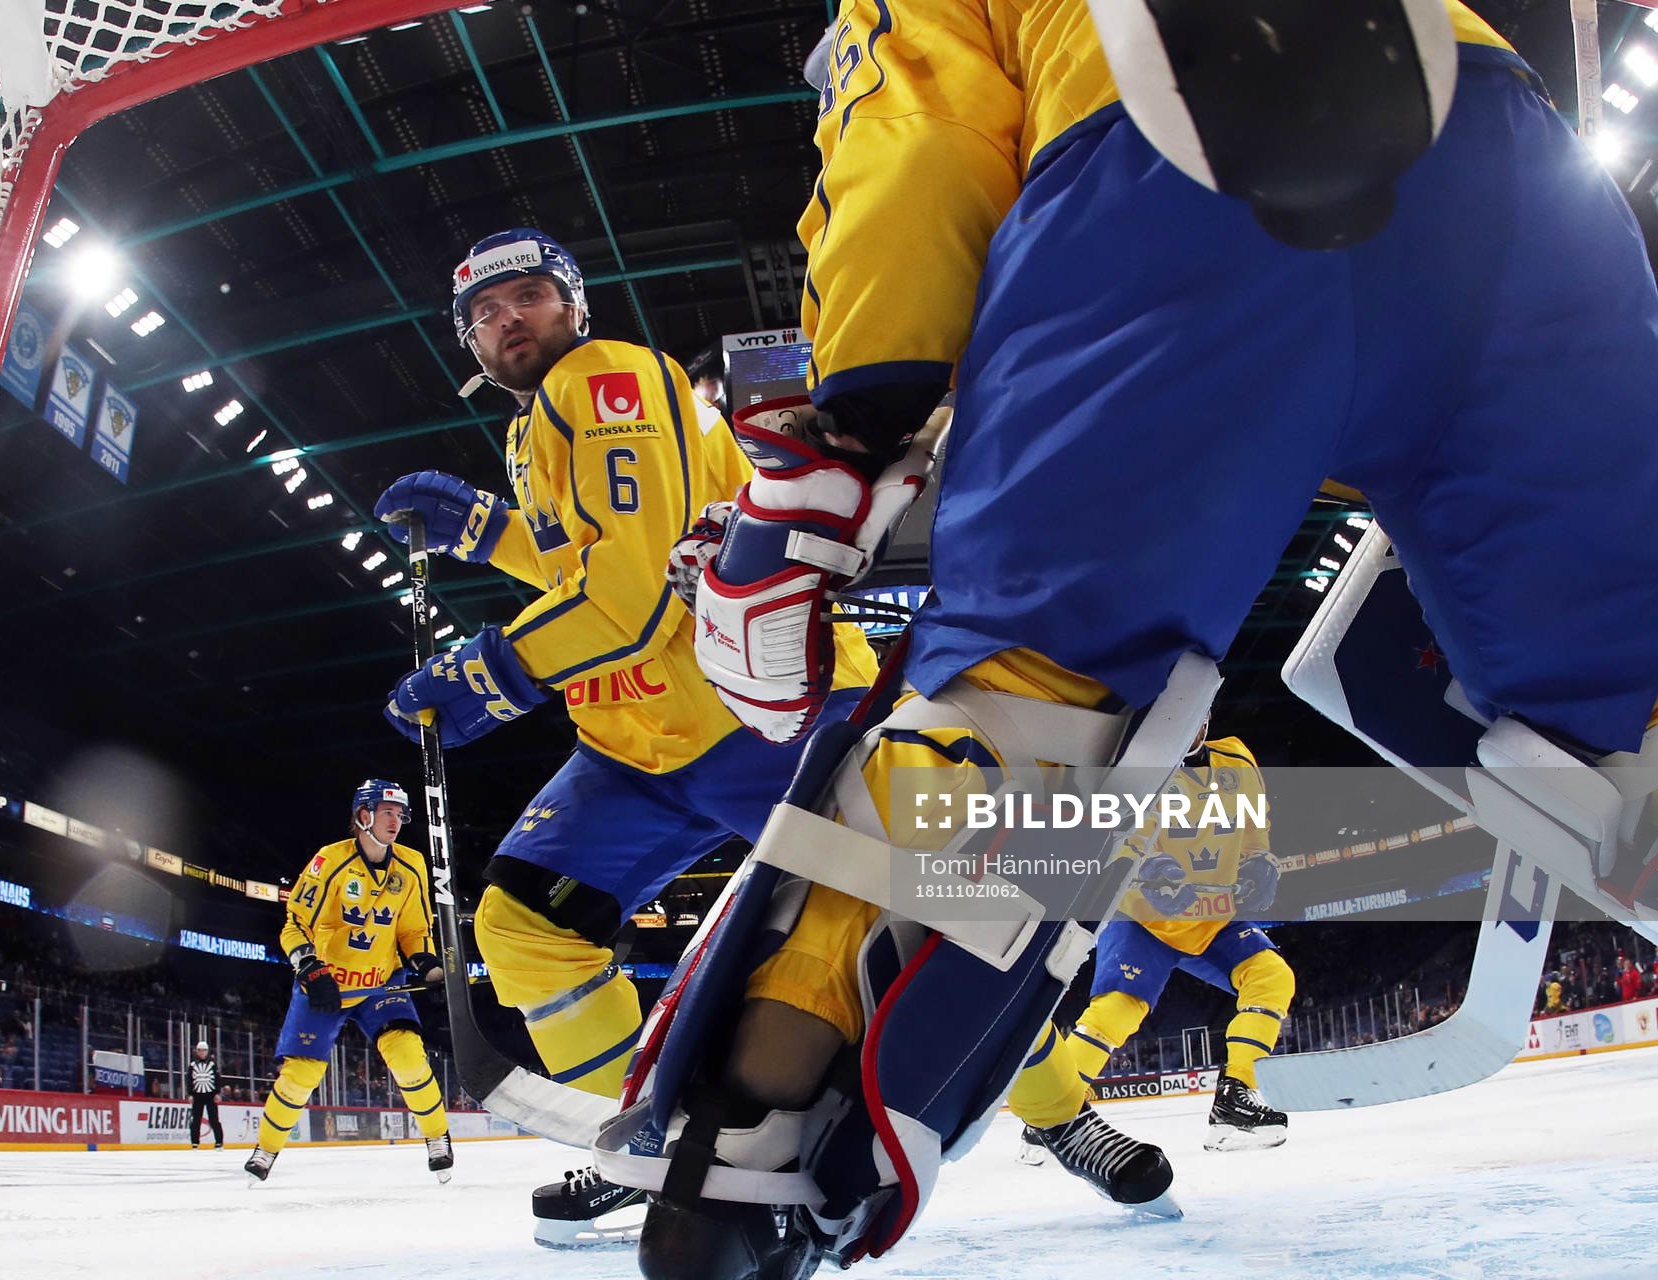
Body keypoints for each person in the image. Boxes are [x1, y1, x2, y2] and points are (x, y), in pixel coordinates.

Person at [610, 2, 1658, 1275]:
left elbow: (917, 127)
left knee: (1012, 728)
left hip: (1170, 154)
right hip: (1509, 167)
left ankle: (747, 1171)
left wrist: (849, 426)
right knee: (1633, 722)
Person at [371, 227, 879, 1246]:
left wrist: (488, 675)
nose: (506, 318)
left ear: (576, 306)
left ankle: (1056, 1103)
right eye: (483, 311)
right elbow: (582, 562)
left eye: (528, 295)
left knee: (918, 919)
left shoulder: (602, 379)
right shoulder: (531, 427)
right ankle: (660, 1134)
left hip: (759, 717)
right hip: (634, 742)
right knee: (521, 931)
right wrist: (480, 525)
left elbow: (634, 593)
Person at [1047, 727, 1294, 1151]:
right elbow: (1119, 840)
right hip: (1144, 917)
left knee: (1272, 976)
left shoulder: (1236, 758)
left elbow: (1255, 833)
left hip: (1214, 918)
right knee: (1116, 1010)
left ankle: (1237, 1098)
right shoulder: (1137, 769)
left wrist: (1260, 863)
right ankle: (1050, 1114)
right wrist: (1148, 868)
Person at [242, 779, 453, 1185]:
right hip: (326, 985)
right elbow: (294, 925)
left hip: (380, 986)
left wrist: (425, 964)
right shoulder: (330, 861)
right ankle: (265, 1150)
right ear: (364, 815)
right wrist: (310, 968)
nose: (397, 821)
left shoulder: (411, 866)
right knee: (301, 1074)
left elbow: (413, 931)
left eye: (400, 814)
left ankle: (437, 1139)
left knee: (409, 1056)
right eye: (387, 812)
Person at [188, 1040, 222, 1150]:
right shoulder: (192, 1065)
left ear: (207, 1051)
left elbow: (217, 1079)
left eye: (204, 1050)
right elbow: (189, 1080)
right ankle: (195, 1142)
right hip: (197, 1094)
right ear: (197, 1051)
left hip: (210, 1094)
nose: (202, 1052)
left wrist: (217, 1092)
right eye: (200, 1050)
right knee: (196, 1120)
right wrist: (190, 1094)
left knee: (214, 1119)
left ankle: (219, 1142)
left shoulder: (212, 1064)